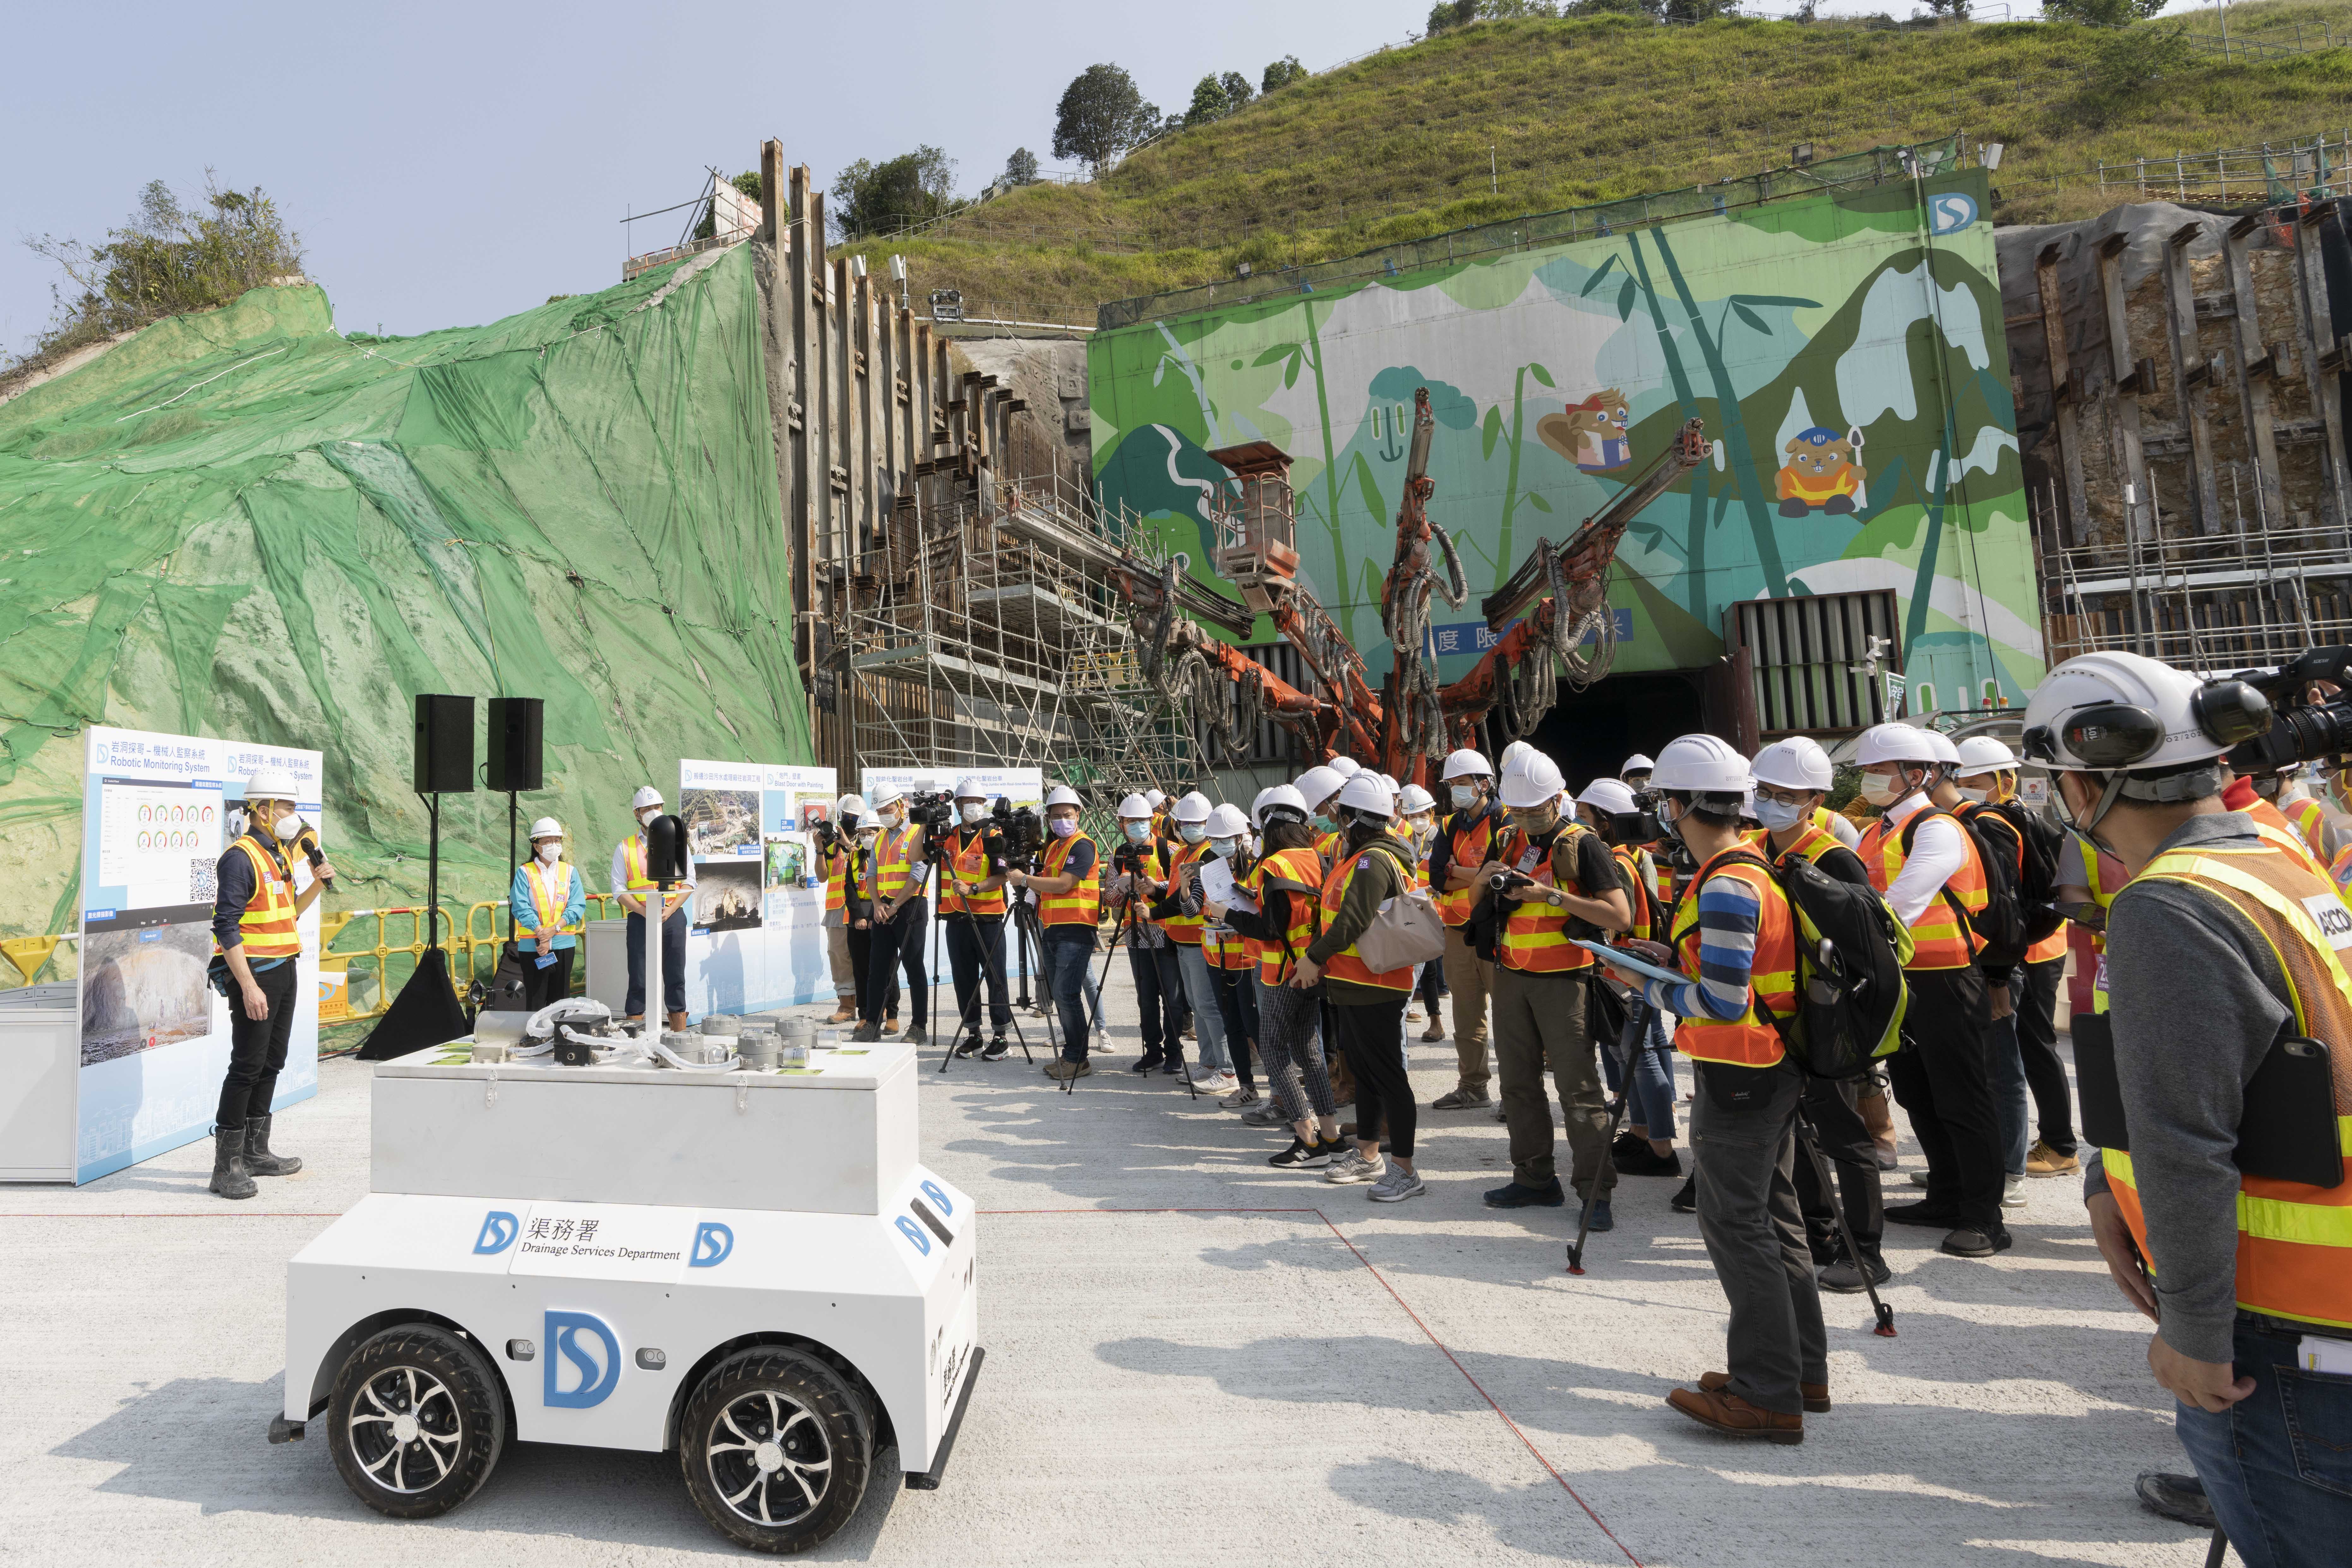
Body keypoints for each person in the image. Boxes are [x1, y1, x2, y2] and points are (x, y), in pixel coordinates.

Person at [2023, 650, 2352, 1564]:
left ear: (2087, 782)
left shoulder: (2170, 906)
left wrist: (2194, 1332)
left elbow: (2186, 1135)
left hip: (2277, 1333)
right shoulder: (2279, 858)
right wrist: (2102, 1174)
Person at [1595, 734, 1823, 1445]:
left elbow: (1722, 1000)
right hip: (1769, 1065)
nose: (1662, 813)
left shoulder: (1725, 881)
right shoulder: (1749, 867)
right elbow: (1737, 974)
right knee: (1775, 1216)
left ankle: (1765, 1392)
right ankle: (1797, 1371)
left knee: (1737, 1224)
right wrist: (1670, 961)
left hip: (1743, 1072)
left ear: (1683, 803)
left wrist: (1648, 984)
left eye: (1665, 800)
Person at [1853, 723, 2007, 1259]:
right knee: (1919, 1094)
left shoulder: (1936, 830)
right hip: (1900, 980)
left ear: (1914, 775)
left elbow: (1896, 907)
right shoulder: (1875, 833)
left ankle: (1985, 1217)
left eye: (1878, 770)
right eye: (1865, 771)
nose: (1868, 779)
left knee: (1962, 1098)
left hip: (1946, 980)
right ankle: (1944, 1195)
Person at [1748, 736, 1889, 1293]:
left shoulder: (1833, 858)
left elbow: (1870, 944)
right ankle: (1817, 1230)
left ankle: (1867, 1250)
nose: (1773, 801)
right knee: (1792, 1127)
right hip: (1773, 1015)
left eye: (1788, 794)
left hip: (1825, 1018)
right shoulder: (1755, 847)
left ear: (1814, 801)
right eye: (1766, 791)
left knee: (1841, 1132)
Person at [1481, 751, 1633, 1217]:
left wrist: (1550, 894)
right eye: (1519, 809)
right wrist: (1490, 881)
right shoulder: (1509, 839)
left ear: (1557, 799)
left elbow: (1619, 915)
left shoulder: (1583, 844)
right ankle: (1533, 1178)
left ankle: (1595, 1191)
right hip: (1512, 977)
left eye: (1534, 809)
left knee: (1579, 1090)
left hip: (1566, 982)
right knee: (1518, 1085)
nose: (1526, 817)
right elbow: (1475, 898)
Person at [1952, 736, 2076, 1204]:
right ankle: (2051, 1143)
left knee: (2030, 1050)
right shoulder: (2020, 813)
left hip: (2032, 952)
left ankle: (2061, 1144)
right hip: (2035, 946)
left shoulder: (2000, 820)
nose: (1965, 789)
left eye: (1973, 781)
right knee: (2027, 1050)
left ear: (2005, 779)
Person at [1292, 774, 1427, 1202]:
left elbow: (1352, 921)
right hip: (1353, 982)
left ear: (1351, 818)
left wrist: (1313, 957)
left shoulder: (1372, 861)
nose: (1335, 819)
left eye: (1339, 813)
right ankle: (1370, 1156)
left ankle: (1406, 1169)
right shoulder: (1363, 856)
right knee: (1367, 1074)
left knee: (1388, 1076)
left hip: (1377, 984)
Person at [207, 769, 335, 1200]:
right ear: (262, 809)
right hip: (256, 975)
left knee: (272, 1060)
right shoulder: (240, 857)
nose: (293, 815)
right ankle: (226, 1167)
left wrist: (318, 882)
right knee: (246, 1065)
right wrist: (248, 986)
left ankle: (256, 1151)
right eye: (287, 807)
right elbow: (226, 927)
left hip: (284, 968)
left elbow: (289, 915)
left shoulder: (278, 854)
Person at [1221, 786, 1350, 1160]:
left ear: (1269, 826)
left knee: (1275, 1051)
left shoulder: (1272, 865)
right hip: (1311, 969)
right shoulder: (1317, 857)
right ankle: (1330, 1137)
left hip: (1281, 973)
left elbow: (1270, 929)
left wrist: (1225, 913)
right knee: (1309, 1052)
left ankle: (1307, 1140)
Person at [1579, 778, 1681, 1181]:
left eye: (1584, 816)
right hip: (1626, 969)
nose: (1577, 822)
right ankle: (1642, 1134)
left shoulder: (1614, 862)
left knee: (1642, 1059)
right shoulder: (1626, 856)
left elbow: (1615, 917)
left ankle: (1660, 1150)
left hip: (1625, 970)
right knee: (1633, 1056)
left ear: (1604, 822)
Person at [1009, 785, 1101, 1079]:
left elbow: (1064, 884)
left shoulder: (1082, 845)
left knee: (1066, 993)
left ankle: (1078, 1057)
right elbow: (1045, 887)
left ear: (1079, 815)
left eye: (1068, 815)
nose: (1063, 820)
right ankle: (1071, 1055)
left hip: (1076, 929)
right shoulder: (1054, 847)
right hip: (1052, 928)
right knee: (1058, 994)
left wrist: (1025, 878)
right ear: (1048, 818)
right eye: (1056, 816)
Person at [1429, 748, 1503, 1111]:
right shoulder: (1447, 825)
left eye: (1462, 784)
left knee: (1509, 1017)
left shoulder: (1505, 822)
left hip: (1496, 931)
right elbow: (1436, 878)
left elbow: (1502, 877)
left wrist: (1457, 872)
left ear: (1483, 784)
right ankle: (1473, 1087)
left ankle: (1519, 1095)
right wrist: (1476, 875)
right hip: (1457, 932)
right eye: (1452, 785)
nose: (1456, 791)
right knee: (1466, 1016)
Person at [1152, 791, 1239, 1093]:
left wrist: (1155, 909)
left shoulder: (1208, 854)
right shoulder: (1182, 855)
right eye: (1185, 822)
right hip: (1184, 941)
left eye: (1196, 822)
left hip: (1202, 940)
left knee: (1208, 1005)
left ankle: (1227, 1067)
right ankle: (1210, 1061)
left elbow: (1186, 902)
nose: (1189, 827)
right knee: (1198, 1005)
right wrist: (1158, 888)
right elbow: (1177, 891)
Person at [1103, 792, 1187, 1077]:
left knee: (1173, 996)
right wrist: (1124, 889)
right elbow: (1111, 900)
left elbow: (1181, 889)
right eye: (1131, 821)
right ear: (1122, 823)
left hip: (1166, 931)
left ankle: (1175, 1053)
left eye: (1142, 820)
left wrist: (1154, 885)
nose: (1137, 825)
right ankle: (1153, 1051)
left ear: (1152, 820)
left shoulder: (1170, 849)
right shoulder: (1119, 856)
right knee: (1146, 998)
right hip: (1135, 933)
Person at [939, 778, 1014, 1061]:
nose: (973, 807)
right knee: (964, 978)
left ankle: (1001, 1036)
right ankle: (974, 1034)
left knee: (995, 977)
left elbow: (1002, 874)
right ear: (958, 805)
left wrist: (974, 889)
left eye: (977, 802)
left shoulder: (993, 833)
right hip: (956, 918)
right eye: (967, 802)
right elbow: (918, 856)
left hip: (989, 918)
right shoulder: (949, 835)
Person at [851, 783, 930, 1046]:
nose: (885, 814)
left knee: (914, 968)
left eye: (888, 809)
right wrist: (877, 904)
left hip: (910, 908)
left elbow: (918, 875)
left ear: (901, 806)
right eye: (881, 810)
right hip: (883, 909)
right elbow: (871, 874)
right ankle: (872, 1022)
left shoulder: (917, 832)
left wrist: (894, 905)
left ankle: (919, 1026)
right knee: (878, 969)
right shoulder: (882, 837)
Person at [613, 784, 694, 1033]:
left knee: (675, 975)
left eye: (657, 807)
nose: (653, 812)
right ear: (637, 814)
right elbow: (618, 888)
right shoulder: (625, 847)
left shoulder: (678, 843)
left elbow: (690, 881)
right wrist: (642, 911)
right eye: (647, 809)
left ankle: (679, 1032)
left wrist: (670, 911)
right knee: (638, 977)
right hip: (640, 918)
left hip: (672, 916)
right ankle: (634, 1032)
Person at [1201, 802, 1263, 1108]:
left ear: (1241, 838)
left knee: (1255, 1027)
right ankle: (1247, 1087)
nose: (1217, 845)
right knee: (1232, 1026)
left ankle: (1280, 1091)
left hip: (1249, 961)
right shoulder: (1211, 869)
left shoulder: (1256, 868)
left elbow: (1261, 916)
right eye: (1213, 840)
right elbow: (1201, 909)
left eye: (1224, 839)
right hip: (1218, 957)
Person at [510, 817, 586, 1013]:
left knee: (560, 1001)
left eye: (557, 840)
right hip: (533, 946)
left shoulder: (570, 872)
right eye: (548, 841)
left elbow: (577, 905)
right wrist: (541, 933)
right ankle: (536, 1039)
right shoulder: (525, 872)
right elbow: (520, 906)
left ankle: (560, 1040)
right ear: (536, 846)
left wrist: (554, 930)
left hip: (563, 944)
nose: (554, 845)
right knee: (536, 999)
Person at [1397, 783, 1448, 1041]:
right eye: (1412, 816)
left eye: (1422, 815)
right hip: (1416, 909)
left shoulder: (1442, 838)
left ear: (1431, 812)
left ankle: (1437, 1022)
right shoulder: (1405, 841)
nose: (1418, 820)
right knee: (1425, 967)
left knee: (1432, 968)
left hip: (1438, 910)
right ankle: (1435, 1022)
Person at [820, 795, 865, 1025]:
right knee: (838, 956)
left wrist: (848, 843)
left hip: (861, 906)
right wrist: (821, 849)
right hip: (836, 907)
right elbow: (822, 876)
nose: (850, 820)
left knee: (867, 957)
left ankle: (880, 1005)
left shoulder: (868, 837)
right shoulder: (832, 843)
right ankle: (847, 1005)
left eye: (854, 817)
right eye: (847, 816)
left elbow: (864, 861)